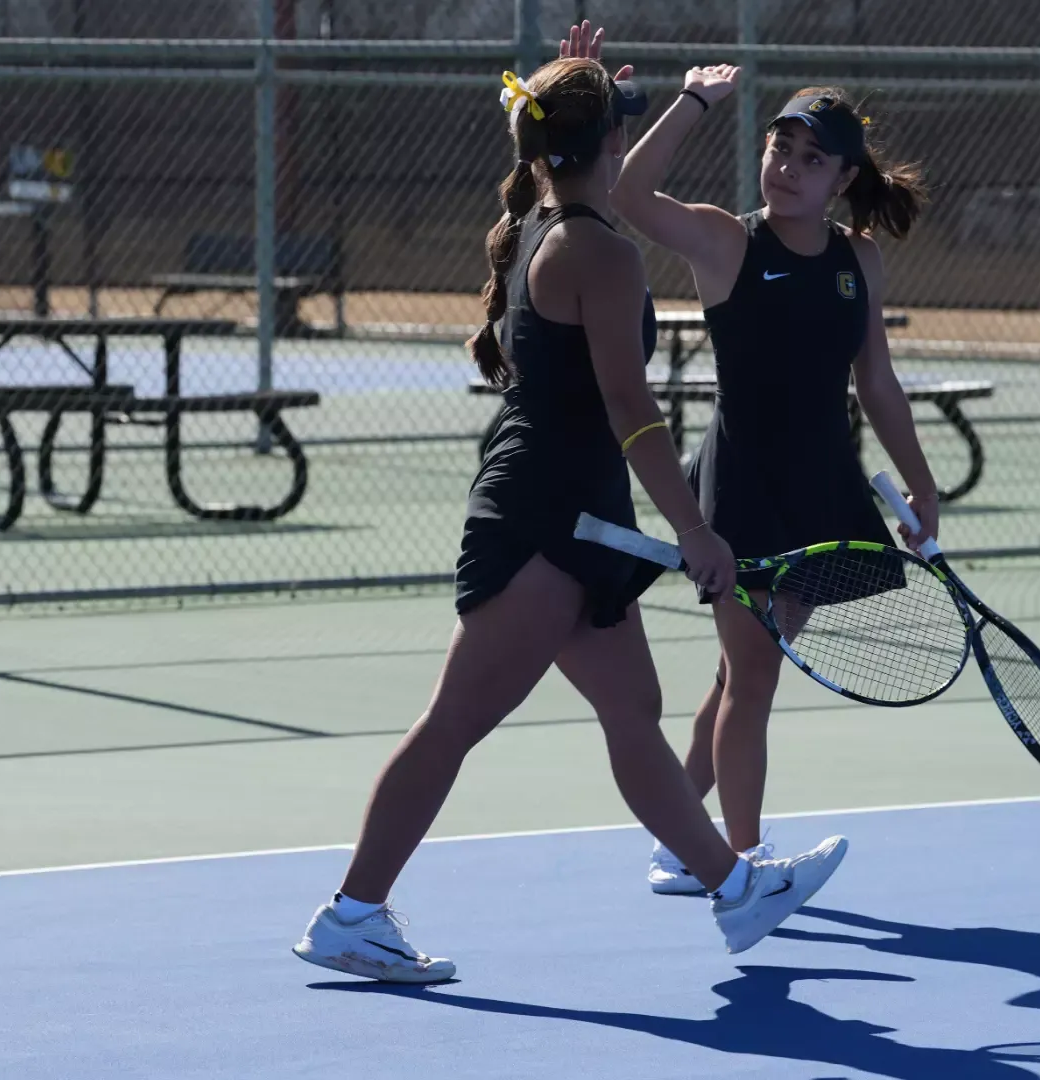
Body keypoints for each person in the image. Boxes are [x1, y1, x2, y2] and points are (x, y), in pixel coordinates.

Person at [292, 40, 848, 983]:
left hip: (571, 508)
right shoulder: (598, 251)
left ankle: (733, 888)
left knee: (633, 708)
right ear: (605, 144)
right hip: (548, 517)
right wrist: (697, 529)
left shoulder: (549, 220)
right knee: (456, 721)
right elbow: (632, 407)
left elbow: (580, 148)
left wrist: (588, 92)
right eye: (620, 121)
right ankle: (352, 912)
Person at [609, 61, 941, 893]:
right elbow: (629, 196)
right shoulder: (727, 239)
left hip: (820, 487)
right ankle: (745, 866)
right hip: (740, 488)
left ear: (842, 179)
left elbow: (878, 385)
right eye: (779, 147)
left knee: (738, 673)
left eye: (811, 159)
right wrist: (693, 102)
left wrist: (922, 484)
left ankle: (684, 838)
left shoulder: (857, 260)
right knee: (754, 674)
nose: (787, 168)